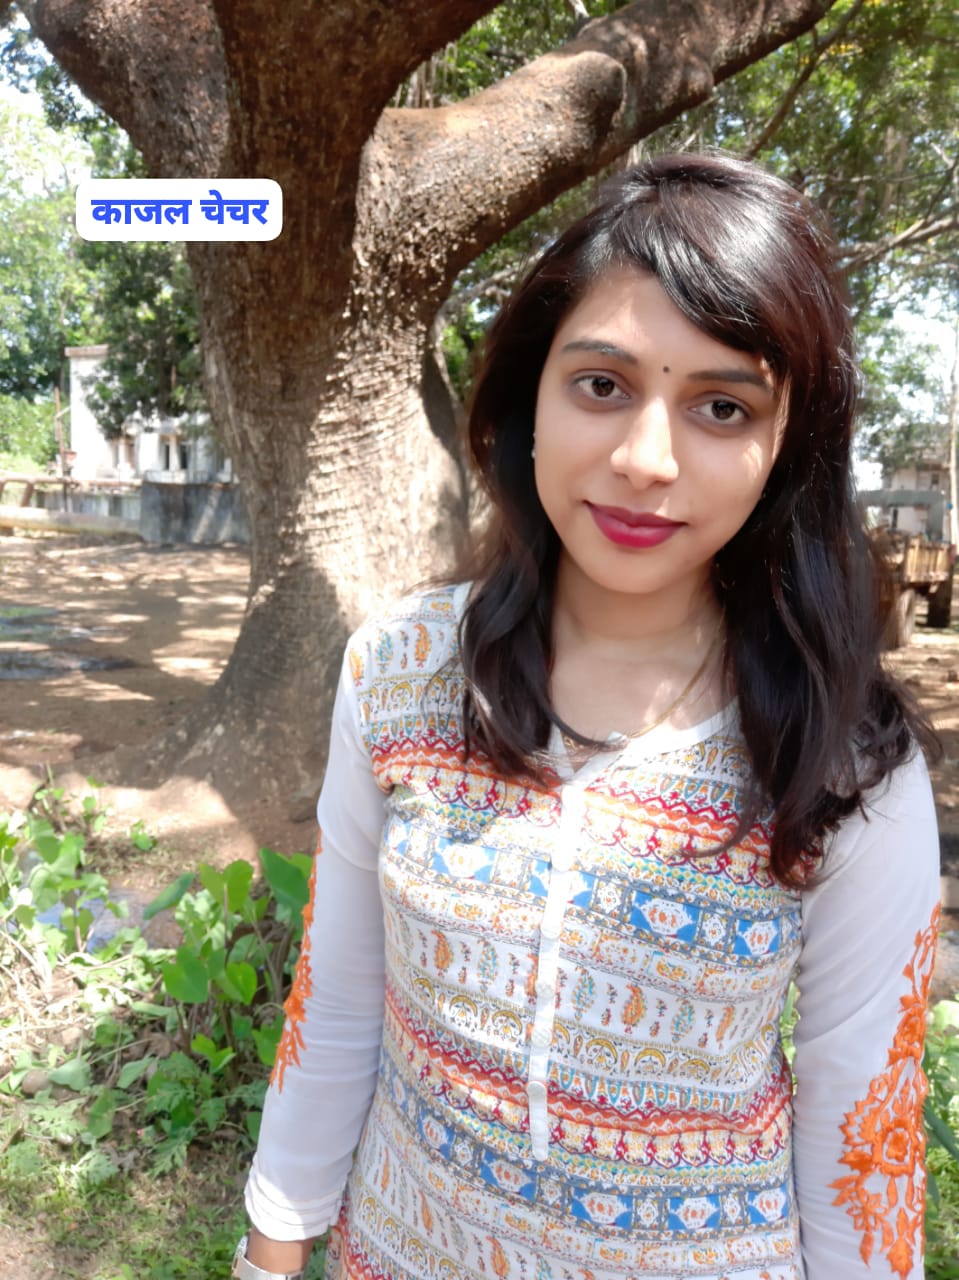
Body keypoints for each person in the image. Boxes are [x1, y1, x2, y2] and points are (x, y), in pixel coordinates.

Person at [233, 153, 941, 1280]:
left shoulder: (844, 757)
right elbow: (339, 995)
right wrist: (271, 1251)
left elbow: (864, 1125)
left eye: (721, 406)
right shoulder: (402, 670)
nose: (642, 461)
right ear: (529, 398)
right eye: (601, 385)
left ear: (784, 448)